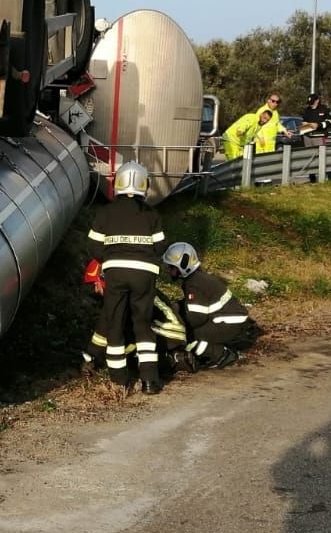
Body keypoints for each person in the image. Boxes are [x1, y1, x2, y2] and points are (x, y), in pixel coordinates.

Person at [87, 160, 167, 393]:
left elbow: (93, 246)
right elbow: (161, 246)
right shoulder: (151, 214)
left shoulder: (105, 212)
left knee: (115, 322)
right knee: (142, 323)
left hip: (116, 273)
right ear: (145, 185)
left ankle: (119, 380)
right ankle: (150, 380)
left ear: (117, 183)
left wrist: (110, 260)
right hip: (145, 274)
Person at [162, 241, 259, 369]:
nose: (170, 272)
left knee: (186, 336)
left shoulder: (194, 284)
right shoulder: (198, 278)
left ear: (182, 265)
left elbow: (196, 318)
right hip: (233, 322)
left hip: (230, 325)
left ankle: (222, 355)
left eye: (172, 268)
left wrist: (176, 322)